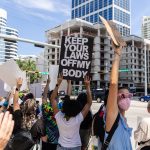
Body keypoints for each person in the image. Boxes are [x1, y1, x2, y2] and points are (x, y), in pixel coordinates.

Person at [103, 41, 133, 150]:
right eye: (123, 96)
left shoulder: (123, 120)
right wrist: (117, 54)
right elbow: (113, 83)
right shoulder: (112, 117)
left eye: (129, 96)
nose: (128, 99)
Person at [50, 75, 92, 150]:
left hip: (61, 147)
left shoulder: (59, 116)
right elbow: (89, 103)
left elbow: (52, 99)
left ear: (64, 108)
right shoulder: (78, 118)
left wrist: (58, 83)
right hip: (75, 147)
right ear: (77, 110)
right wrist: (87, 86)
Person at [7, 78, 47, 150]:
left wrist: (18, 87)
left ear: (23, 106)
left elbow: (15, 103)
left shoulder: (18, 116)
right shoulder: (39, 123)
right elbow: (44, 140)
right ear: (35, 109)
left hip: (15, 147)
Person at [41, 76, 59, 150]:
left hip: (47, 139)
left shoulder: (46, 107)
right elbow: (68, 96)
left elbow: (44, 96)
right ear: (57, 98)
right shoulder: (60, 108)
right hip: (58, 140)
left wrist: (48, 83)